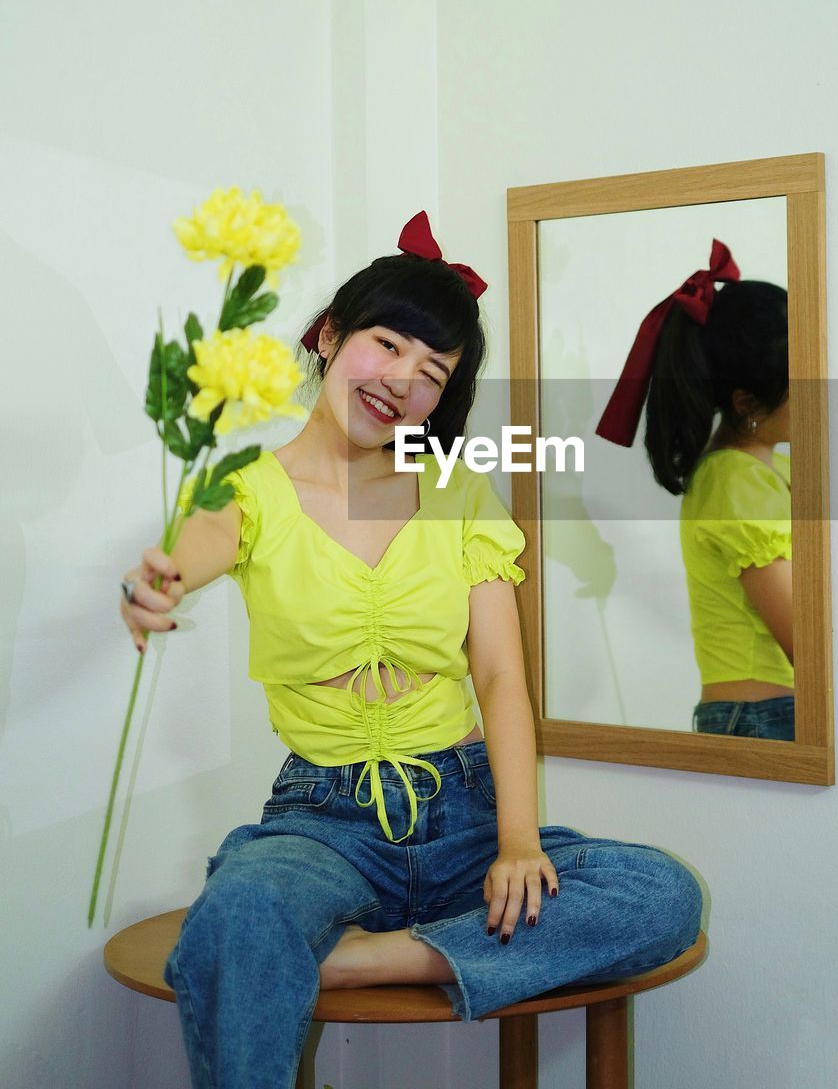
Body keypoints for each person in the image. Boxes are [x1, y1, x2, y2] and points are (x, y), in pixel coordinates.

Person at [118, 213, 703, 1089]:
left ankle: (359, 958)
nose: (403, 381)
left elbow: (501, 677)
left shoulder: (459, 493)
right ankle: (313, 941)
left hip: (466, 815)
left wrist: (514, 840)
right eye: (387, 345)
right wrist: (157, 582)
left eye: (433, 373)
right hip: (324, 821)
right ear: (328, 336)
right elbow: (190, 551)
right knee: (243, 913)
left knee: (661, 895)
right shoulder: (246, 491)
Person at [596, 239, 794, 741]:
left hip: (769, 709)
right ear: (748, 401)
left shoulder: (769, 470)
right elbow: (804, 638)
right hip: (762, 716)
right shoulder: (735, 481)